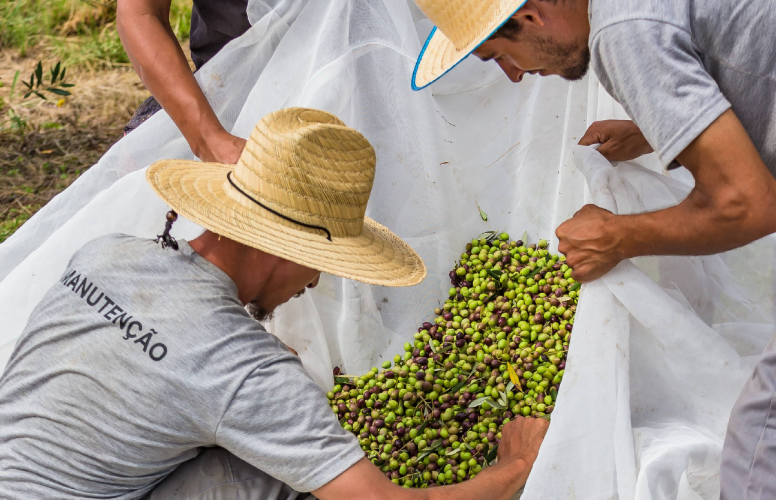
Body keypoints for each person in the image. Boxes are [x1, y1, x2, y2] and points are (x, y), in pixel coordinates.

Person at [0, 107, 549, 500]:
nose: (312, 284)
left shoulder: (104, 255)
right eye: (321, 264)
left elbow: (150, 360)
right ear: (285, 250)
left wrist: (235, 381)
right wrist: (514, 467)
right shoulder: (244, 371)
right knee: (280, 477)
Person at [411, 0, 776, 498]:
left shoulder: (622, 31)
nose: (512, 76)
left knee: (766, 441)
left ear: (530, 18)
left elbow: (750, 205)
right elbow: (758, 63)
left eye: (498, 56)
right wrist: (658, 130)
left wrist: (617, 236)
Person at [117, 0, 256, 162]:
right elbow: (140, 13)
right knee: (140, 158)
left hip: (288, 111)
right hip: (227, 95)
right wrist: (208, 139)